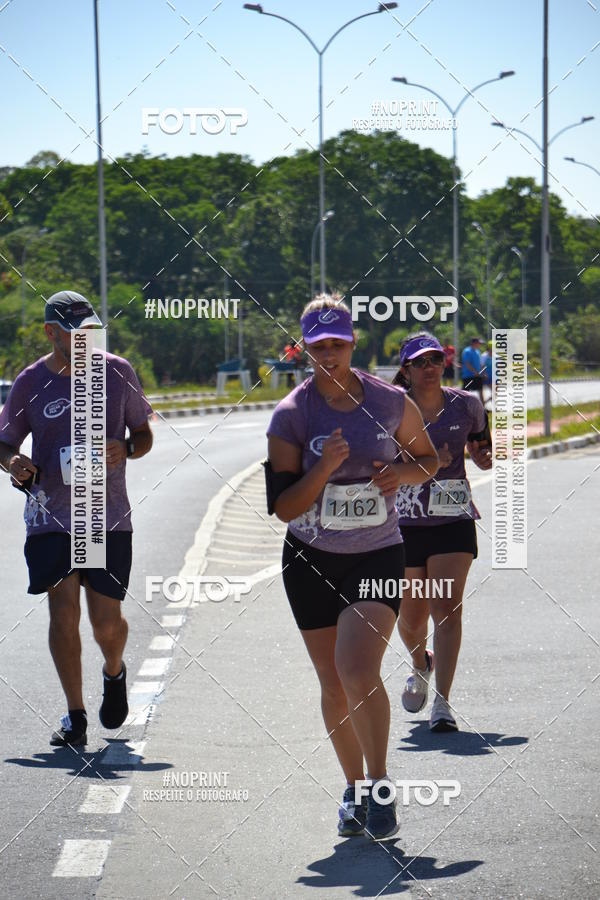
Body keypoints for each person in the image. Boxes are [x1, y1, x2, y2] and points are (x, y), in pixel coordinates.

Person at [265, 295, 438, 840]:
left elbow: (429, 460)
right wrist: (324, 470)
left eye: (337, 343)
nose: (329, 355)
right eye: (318, 347)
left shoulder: (388, 403)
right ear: (304, 349)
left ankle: (382, 787)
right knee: (332, 681)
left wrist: (399, 476)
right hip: (310, 559)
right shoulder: (292, 414)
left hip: (378, 553)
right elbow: (284, 507)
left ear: (353, 341)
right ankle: (354, 789)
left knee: (357, 669)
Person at [0, 291, 153, 748]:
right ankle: (75, 714)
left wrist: (125, 448)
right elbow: (3, 443)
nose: (85, 338)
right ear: (51, 332)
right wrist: (14, 463)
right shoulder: (30, 383)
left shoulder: (117, 372)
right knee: (62, 613)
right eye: (74, 331)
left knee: (105, 623)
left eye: (90, 329)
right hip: (50, 516)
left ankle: (114, 670)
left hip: (103, 518)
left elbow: (144, 435)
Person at [392, 332, 492, 731]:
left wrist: (483, 456)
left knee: (446, 610)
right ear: (407, 370)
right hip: (406, 522)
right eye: (420, 362)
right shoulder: (391, 410)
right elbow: (376, 463)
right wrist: (421, 461)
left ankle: (443, 705)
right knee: (411, 620)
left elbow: (483, 449)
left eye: (435, 360)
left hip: (453, 517)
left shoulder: (467, 404)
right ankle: (421, 663)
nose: (429, 368)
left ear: (444, 364)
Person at [461, 336, 484, 404]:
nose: (479, 345)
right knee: (465, 393)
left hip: (477, 375)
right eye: (478, 343)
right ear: (474, 343)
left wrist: (482, 372)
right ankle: (462, 407)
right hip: (468, 376)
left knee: (480, 391)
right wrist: (475, 372)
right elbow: (467, 363)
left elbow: (479, 363)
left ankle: (483, 409)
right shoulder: (467, 351)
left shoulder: (477, 351)